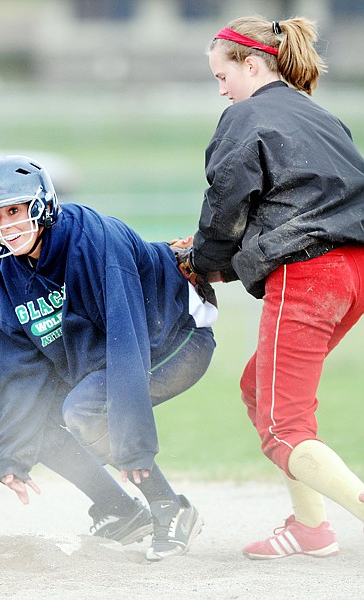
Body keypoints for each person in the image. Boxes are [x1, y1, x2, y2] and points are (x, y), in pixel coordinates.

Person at [173, 15, 364, 559]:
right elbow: (291, 219)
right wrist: (217, 263)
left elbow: (227, 208)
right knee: (260, 388)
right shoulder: (321, 116)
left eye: (222, 75)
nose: (221, 88)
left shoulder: (244, 116)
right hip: (354, 272)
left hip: (311, 276)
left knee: (282, 428)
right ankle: (310, 528)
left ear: (251, 65)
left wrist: (201, 262)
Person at [0, 154, 217, 562]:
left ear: (43, 205)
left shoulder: (94, 242)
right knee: (38, 423)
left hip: (174, 338)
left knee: (84, 410)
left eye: (14, 210)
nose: (5, 226)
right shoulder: (9, 272)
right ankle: (121, 511)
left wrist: (132, 445)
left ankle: (171, 507)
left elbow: (127, 339)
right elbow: (20, 368)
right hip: (112, 351)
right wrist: (14, 452)